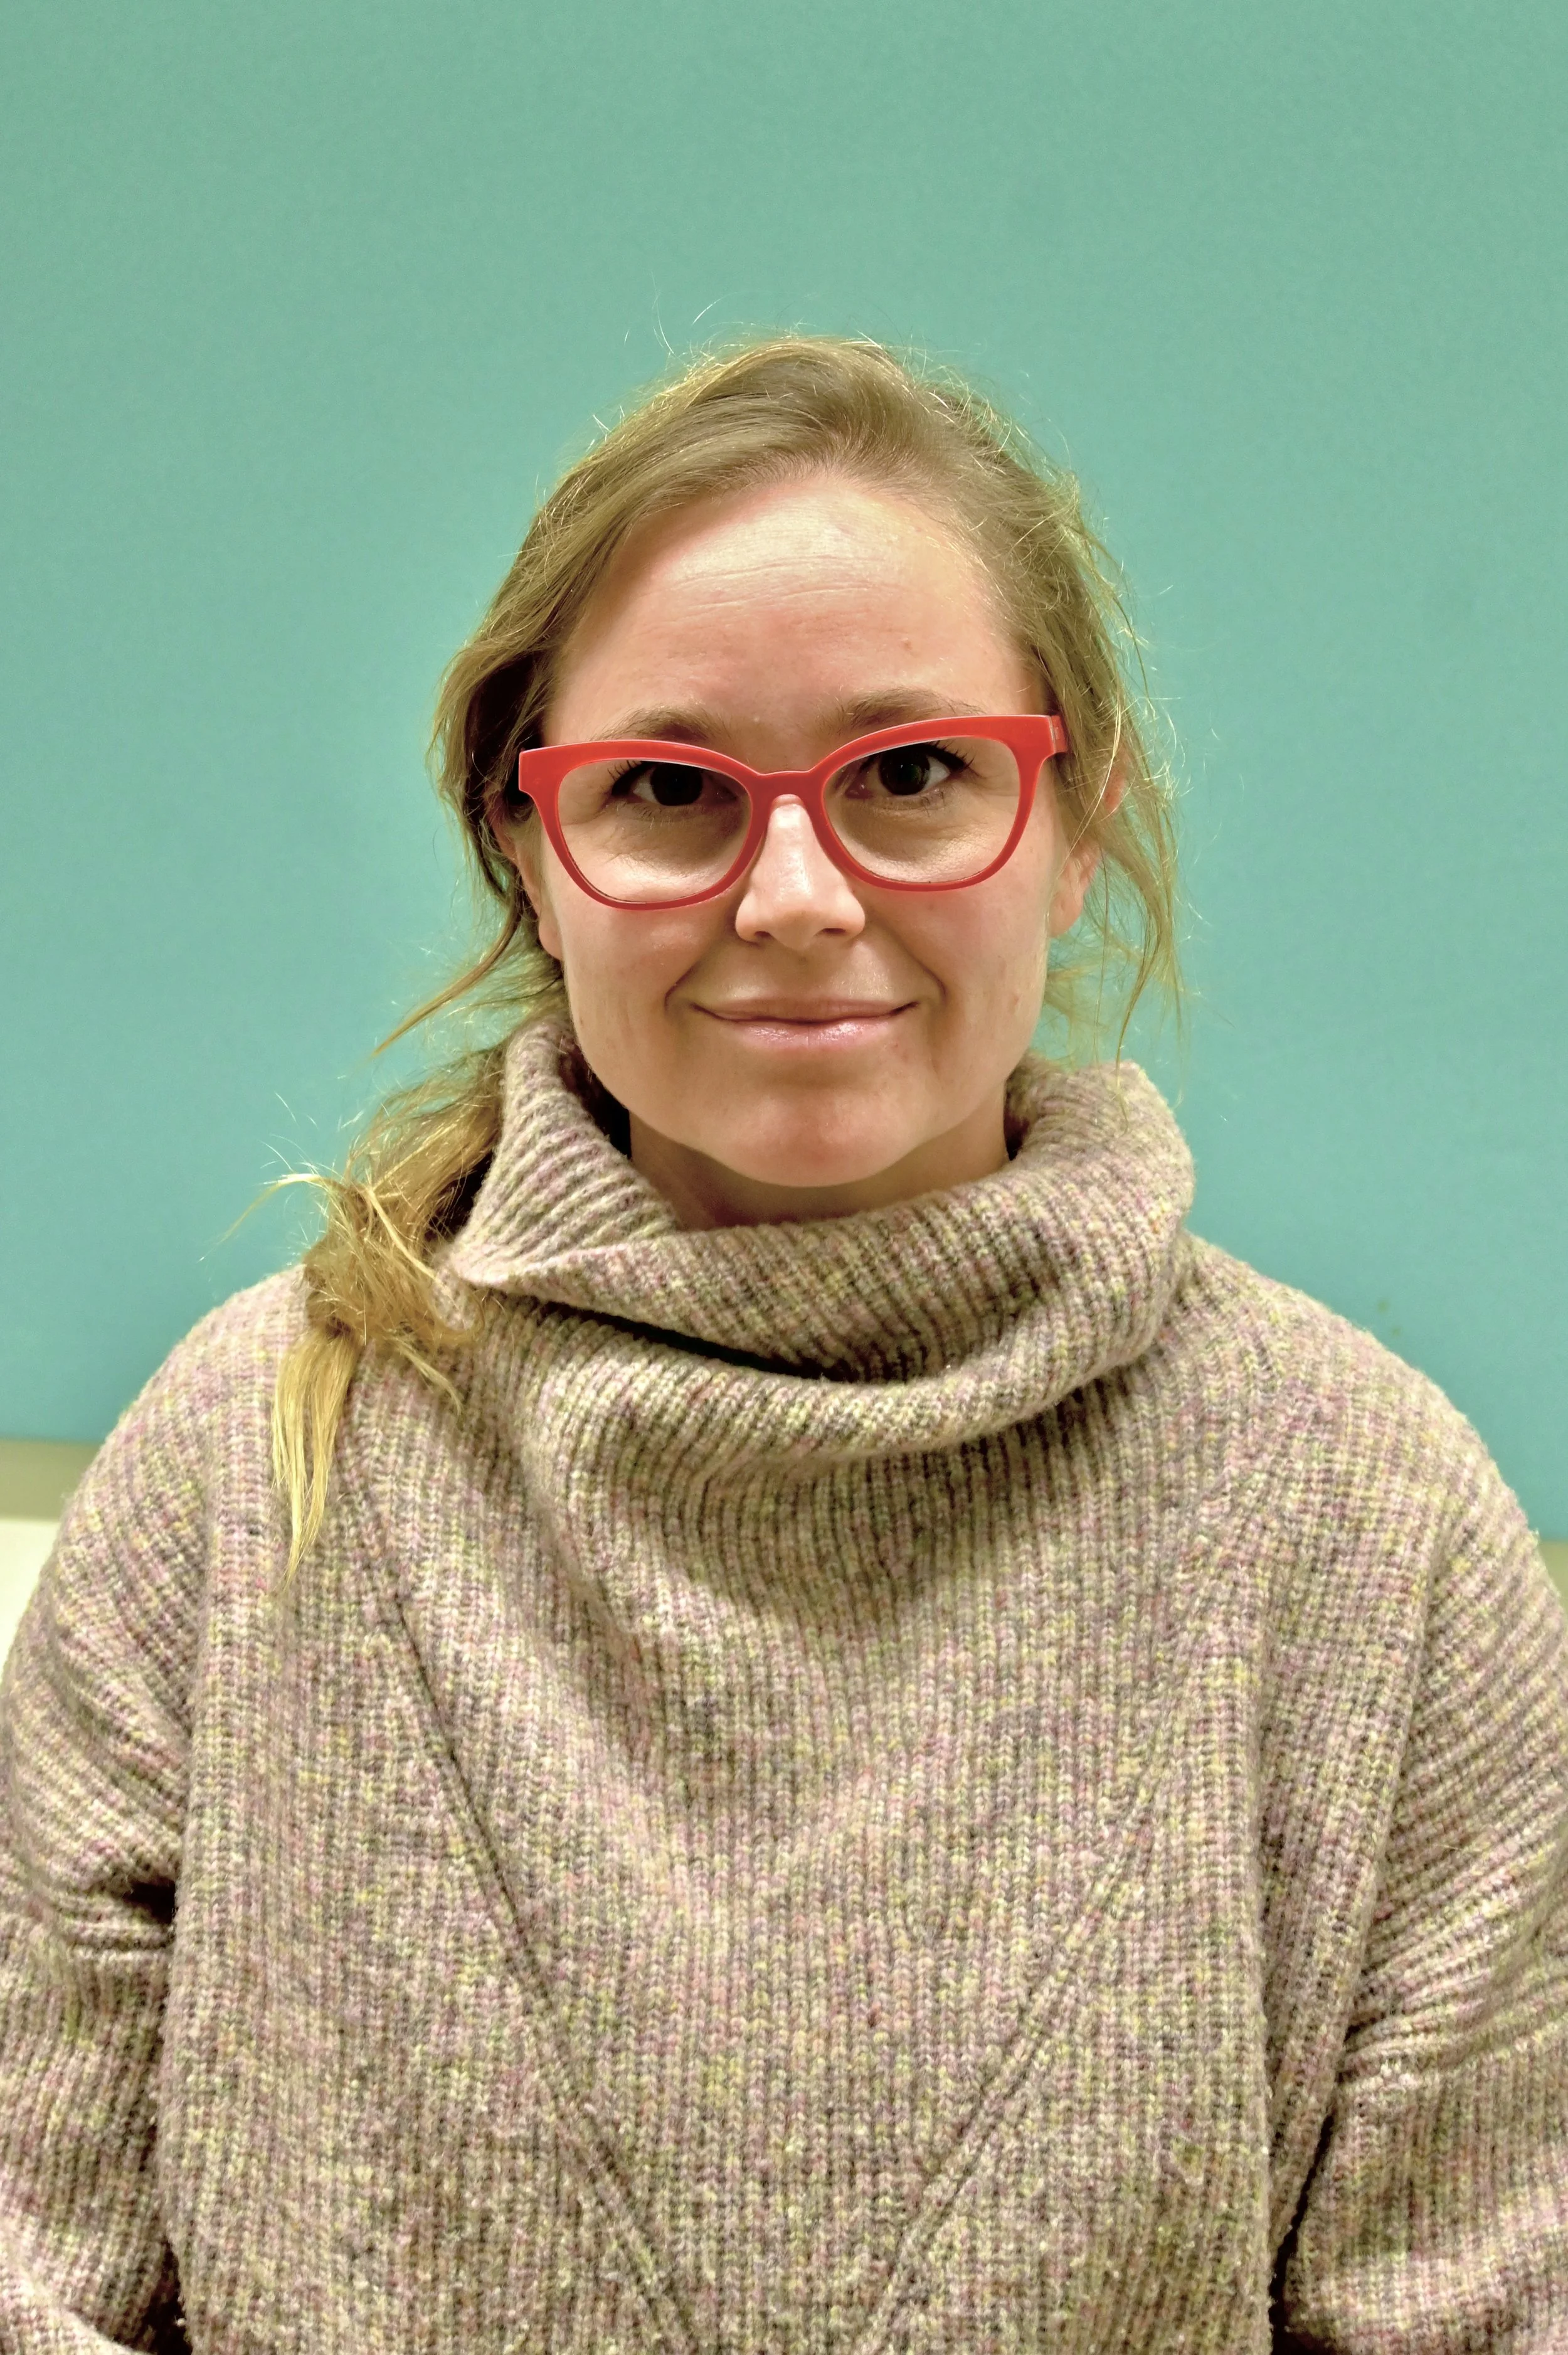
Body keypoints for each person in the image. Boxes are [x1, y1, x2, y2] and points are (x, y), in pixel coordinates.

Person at [1, 335, 1562, 2354]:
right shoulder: (247, 1469)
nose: (798, 897)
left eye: (910, 776)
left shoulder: (1368, 1528)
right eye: (669, 791)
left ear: (1074, 826)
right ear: (529, 852)